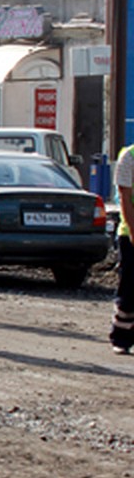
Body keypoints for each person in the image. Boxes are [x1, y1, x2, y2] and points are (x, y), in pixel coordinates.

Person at [110, 145, 134, 354]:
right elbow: (125, 198)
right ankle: (122, 337)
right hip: (130, 235)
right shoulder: (129, 157)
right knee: (129, 287)